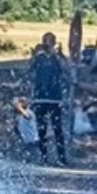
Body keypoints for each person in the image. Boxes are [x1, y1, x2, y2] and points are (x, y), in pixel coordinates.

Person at [30, 32, 70, 166]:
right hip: (40, 97)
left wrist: (59, 55)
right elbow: (30, 69)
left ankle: (62, 158)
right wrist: (34, 55)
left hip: (55, 98)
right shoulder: (39, 57)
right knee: (41, 129)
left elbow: (66, 69)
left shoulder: (57, 57)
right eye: (44, 40)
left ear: (54, 42)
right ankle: (44, 158)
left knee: (57, 129)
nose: (47, 43)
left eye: (49, 41)